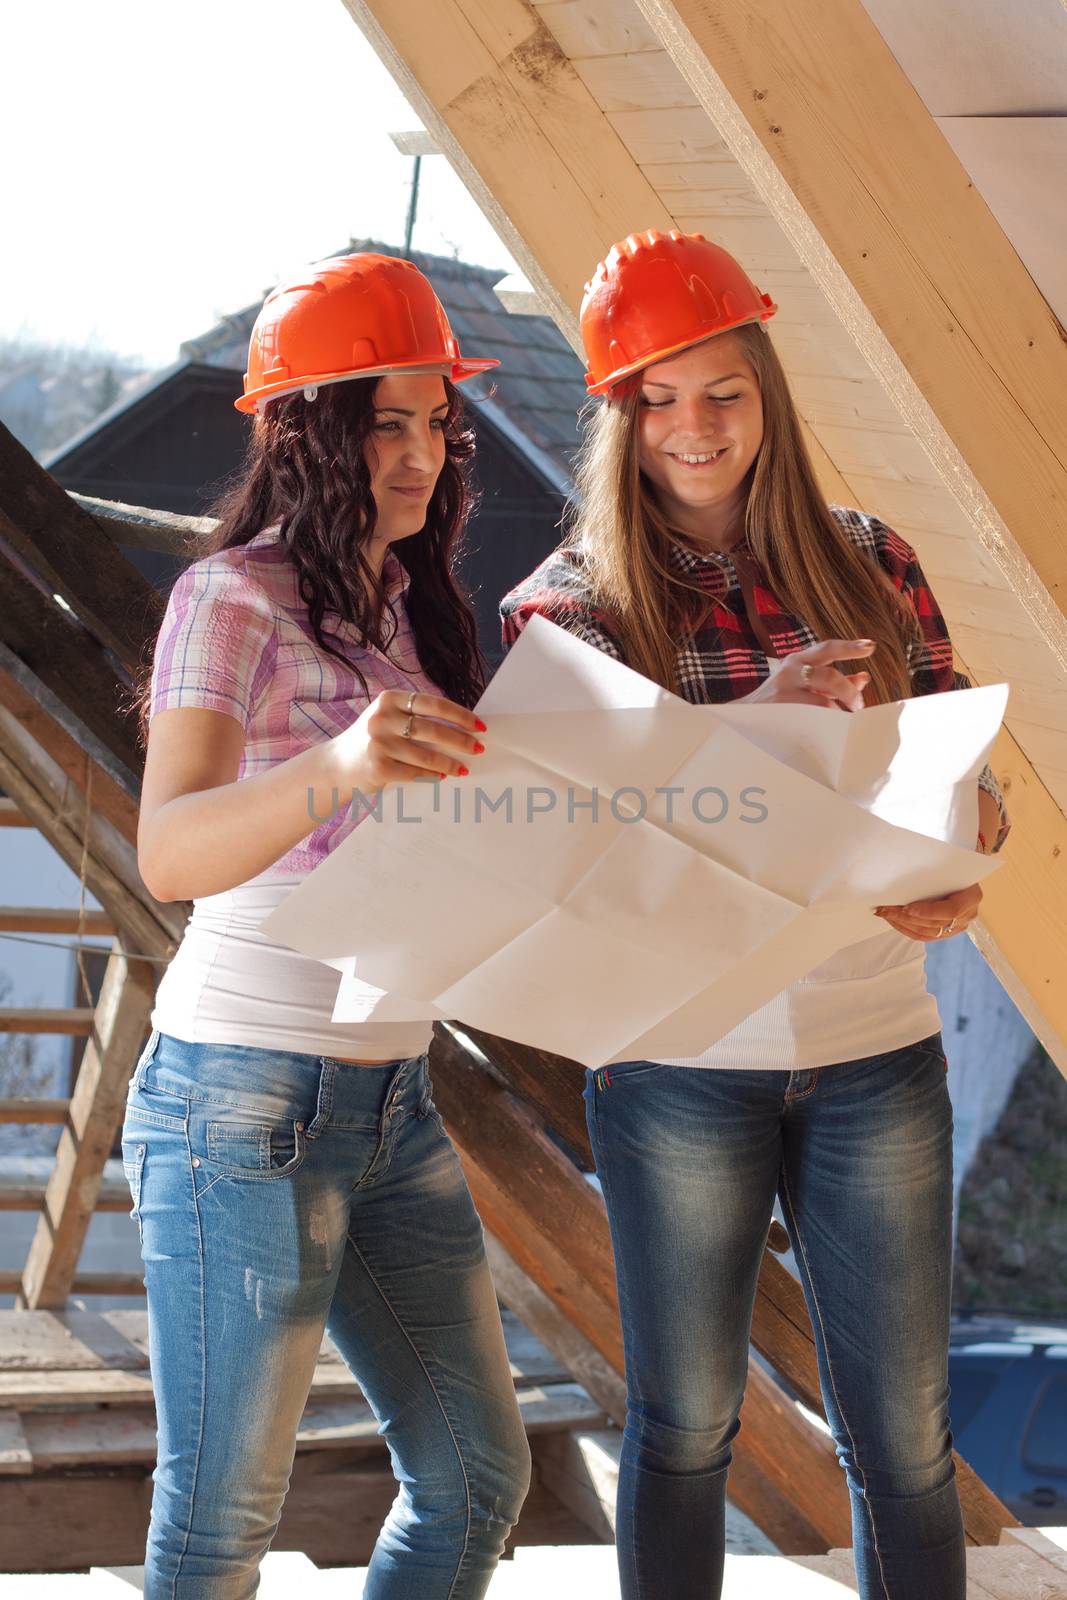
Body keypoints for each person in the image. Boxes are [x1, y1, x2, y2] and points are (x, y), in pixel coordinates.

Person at [500, 230, 1010, 1600]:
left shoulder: (869, 563)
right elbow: (573, 854)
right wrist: (748, 729)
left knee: (902, 1442)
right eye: (656, 398)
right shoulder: (570, 616)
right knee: (684, 1433)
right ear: (616, 416)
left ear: (767, 395)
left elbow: (959, 767)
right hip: (679, 1064)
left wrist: (965, 852)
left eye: (721, 390)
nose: (692, 427)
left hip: (873, 1046)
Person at [125, 252, 531, 1600]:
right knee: (221, 1524)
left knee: (478, 1478)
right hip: (239, 1101)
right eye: (383, 419)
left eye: (435, 422)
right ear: (306, 430)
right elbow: (170, 850)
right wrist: (335, 769)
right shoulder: (227, 600)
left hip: (391, 1096)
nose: (417, 454)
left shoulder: (417, 611)